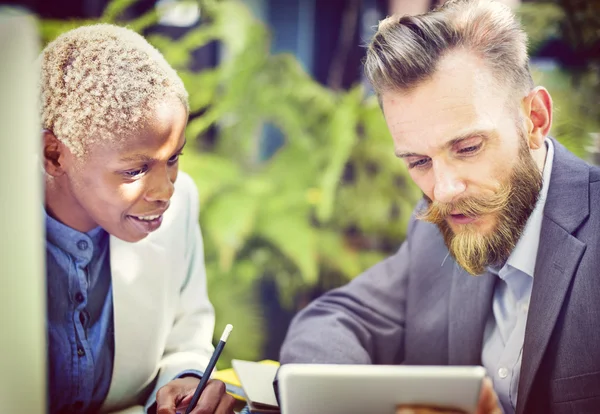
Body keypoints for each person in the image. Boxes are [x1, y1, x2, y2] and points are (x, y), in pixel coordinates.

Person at [278, 1, 600, 413]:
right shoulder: (437, 228)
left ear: (534, 120)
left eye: (467, 148)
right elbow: (330, 322)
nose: (443, 191)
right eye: (418, 162)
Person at [40, 24, 235, 414]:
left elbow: (185, 335)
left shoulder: (178, 208)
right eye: (134, 171)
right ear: (55, 155)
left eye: (174, 158)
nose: (165, 191)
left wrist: (186, 380)